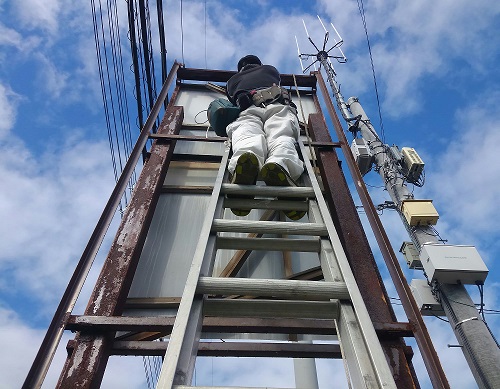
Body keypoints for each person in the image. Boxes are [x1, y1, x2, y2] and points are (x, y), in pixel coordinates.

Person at [225, 55, 305, 220]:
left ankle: (245, 166)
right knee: (281, 136)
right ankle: (279, 164)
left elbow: (232, 93)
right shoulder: (269, 70)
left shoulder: (232, 80)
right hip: (277, 103)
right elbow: (272, 77)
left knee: (246, 136)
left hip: (246, 108)